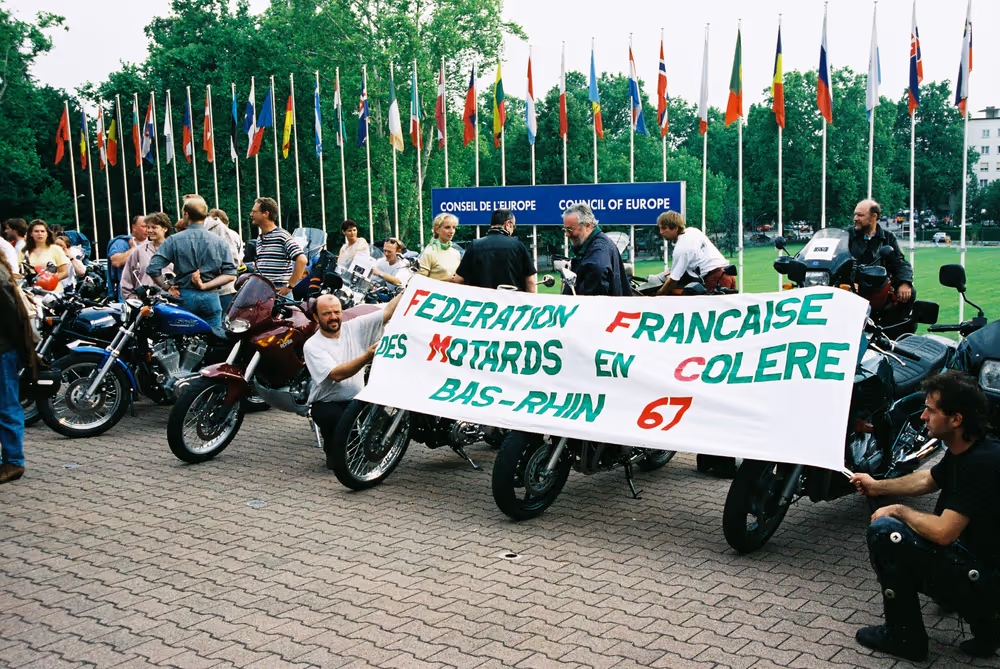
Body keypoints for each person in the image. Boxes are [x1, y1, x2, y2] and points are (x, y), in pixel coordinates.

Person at [851, 371, 1000, 661]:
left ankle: (904, 637)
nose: (922, 416)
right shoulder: (972, 448)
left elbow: (945, 532)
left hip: (985, 576)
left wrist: (897, 510)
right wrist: (876, 485)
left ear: (956, 419)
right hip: (984, 567)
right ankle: (988, 628)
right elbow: (927, 480)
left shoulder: (980, 463)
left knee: (886, 533)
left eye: (930, 410)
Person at [654, 210, 737, 476]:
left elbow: (674, 280)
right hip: (721, 276)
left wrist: (653, 299)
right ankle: (712, 458)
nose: (660, 234)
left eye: (662, 229)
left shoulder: (681, 246)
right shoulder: (693, 234)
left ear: (670, 227)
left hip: (715, 281)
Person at [305, 291, 402, 468]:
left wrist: (411, 287)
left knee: (387, 426)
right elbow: (337, 374)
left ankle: (357, 452)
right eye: (326, 314)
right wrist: (367, 356)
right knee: (344, 429)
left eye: (337, 312)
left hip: (357, 400)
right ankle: (335, 449)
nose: (333, 317)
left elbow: (388, 311)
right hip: (327, 403)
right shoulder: (312, 345)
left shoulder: (355, 327)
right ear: (316, 317)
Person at [146, 197, 236, 331]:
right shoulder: (220, 242)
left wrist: (167, 287)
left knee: (182, 338)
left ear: (186, 215)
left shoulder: (173, 240)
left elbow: (153, 268)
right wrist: (205, 285)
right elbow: (230, 274)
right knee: (215, 340)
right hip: (211, 297)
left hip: (184, 297)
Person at [0, 251, 36, 483]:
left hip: (2, 350)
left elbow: (13, 316)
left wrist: (23, 350)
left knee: (6, 405)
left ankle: (13, 462)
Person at [452, 209, 536, 292]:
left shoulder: (474, 246)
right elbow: (530, 282)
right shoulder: (518, 246)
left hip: (483, 303)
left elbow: (459, 279)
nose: (513, 230)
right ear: (507, 224)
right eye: (513, 226)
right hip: (512, 303)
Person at [849, 199, 914, 303]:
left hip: (878, 286)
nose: (855, 218)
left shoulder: (888, 238)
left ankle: (894, 319)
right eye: (855, 214)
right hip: (851, 285)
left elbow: (900, 262)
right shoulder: (846, 236)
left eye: (860, 215)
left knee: (910, 293)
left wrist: (905, 282)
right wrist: (850, 282)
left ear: (874, 217)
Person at [655, 211, 734, 295]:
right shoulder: (693, 231)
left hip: (715, 279)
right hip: (727, 274)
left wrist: (658, 295)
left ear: (675, 228)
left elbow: (673, 280)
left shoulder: (681, 248)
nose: (661, 232)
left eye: (664, 228)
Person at [561, 203, 631, 297]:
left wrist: (583, 303)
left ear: (587, 226)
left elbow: (597, 270)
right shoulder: (593, 246)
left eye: (570, 229)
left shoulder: (599, 249)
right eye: (565, 229)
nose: (566, 234)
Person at [251, 197, 306, 295]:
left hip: (278, 290)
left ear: (266, 213)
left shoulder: (281, 235)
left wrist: (289, 286)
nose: (251, 215)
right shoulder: (260, 238)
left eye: (254, 212)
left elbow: (302, 260)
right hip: (263, 290)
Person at [119, 213, 173, 300]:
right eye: (148, 227)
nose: (149, 230)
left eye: (154, 227)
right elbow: (127, 278)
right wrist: (133, 299)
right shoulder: (139, 251)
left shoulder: (175, 250)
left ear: (165, 229)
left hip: (170, 304)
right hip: (144, 305)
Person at [205, 208, 244, 310]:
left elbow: (234, 260)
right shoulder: (235, 234)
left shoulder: (225, 232)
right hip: (228, 285)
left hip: (222, 286)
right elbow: (238, 259)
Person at [22, 220, 69, 293]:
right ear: (31, 234)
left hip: (53, 293)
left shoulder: (56, 249)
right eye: (36, 231)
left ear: (47, 233)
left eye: (42, 231)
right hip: (31, 293)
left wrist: (47, 281)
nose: (40, 234)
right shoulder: (25, 251)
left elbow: (64, 272)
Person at [108, 215, 148, 298]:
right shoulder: (121, 243)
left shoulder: (152, 244)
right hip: (128, 293)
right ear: (134, 227)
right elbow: (116, 262)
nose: (147, 229)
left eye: (149, 227)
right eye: (144, 226)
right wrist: (133, 249)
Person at [418, 213, 462, 281]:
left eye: (453, 227)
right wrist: (446, 280)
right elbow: (420, 281)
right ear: (437, 230)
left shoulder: (456, 253)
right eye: (447, 227)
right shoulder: (429, 253)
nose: (451, 231)